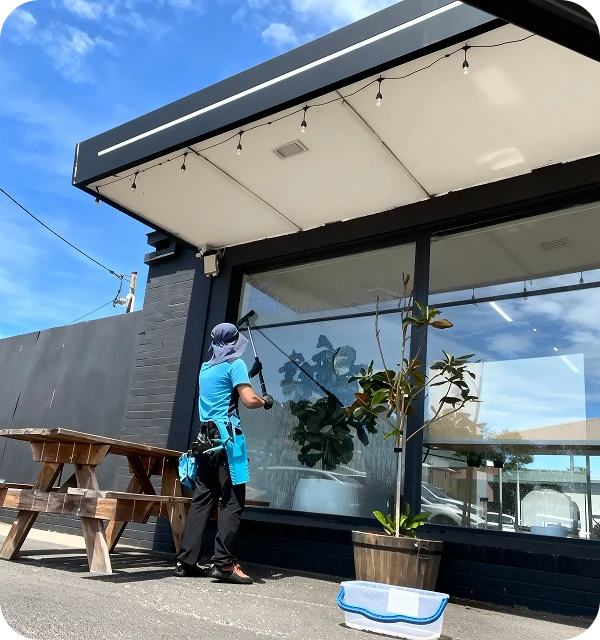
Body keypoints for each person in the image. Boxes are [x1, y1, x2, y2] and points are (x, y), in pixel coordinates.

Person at [174, 322, 272, 584]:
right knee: (232, 500)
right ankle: (224, 564)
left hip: (203, 441)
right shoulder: (235, 364)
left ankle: (187, 561)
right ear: (234, 343)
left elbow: (224, 389)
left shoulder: (206, 368)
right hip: (226, 441)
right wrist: (265, 401)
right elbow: (249, 400)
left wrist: (249, 373)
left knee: (202, 499)